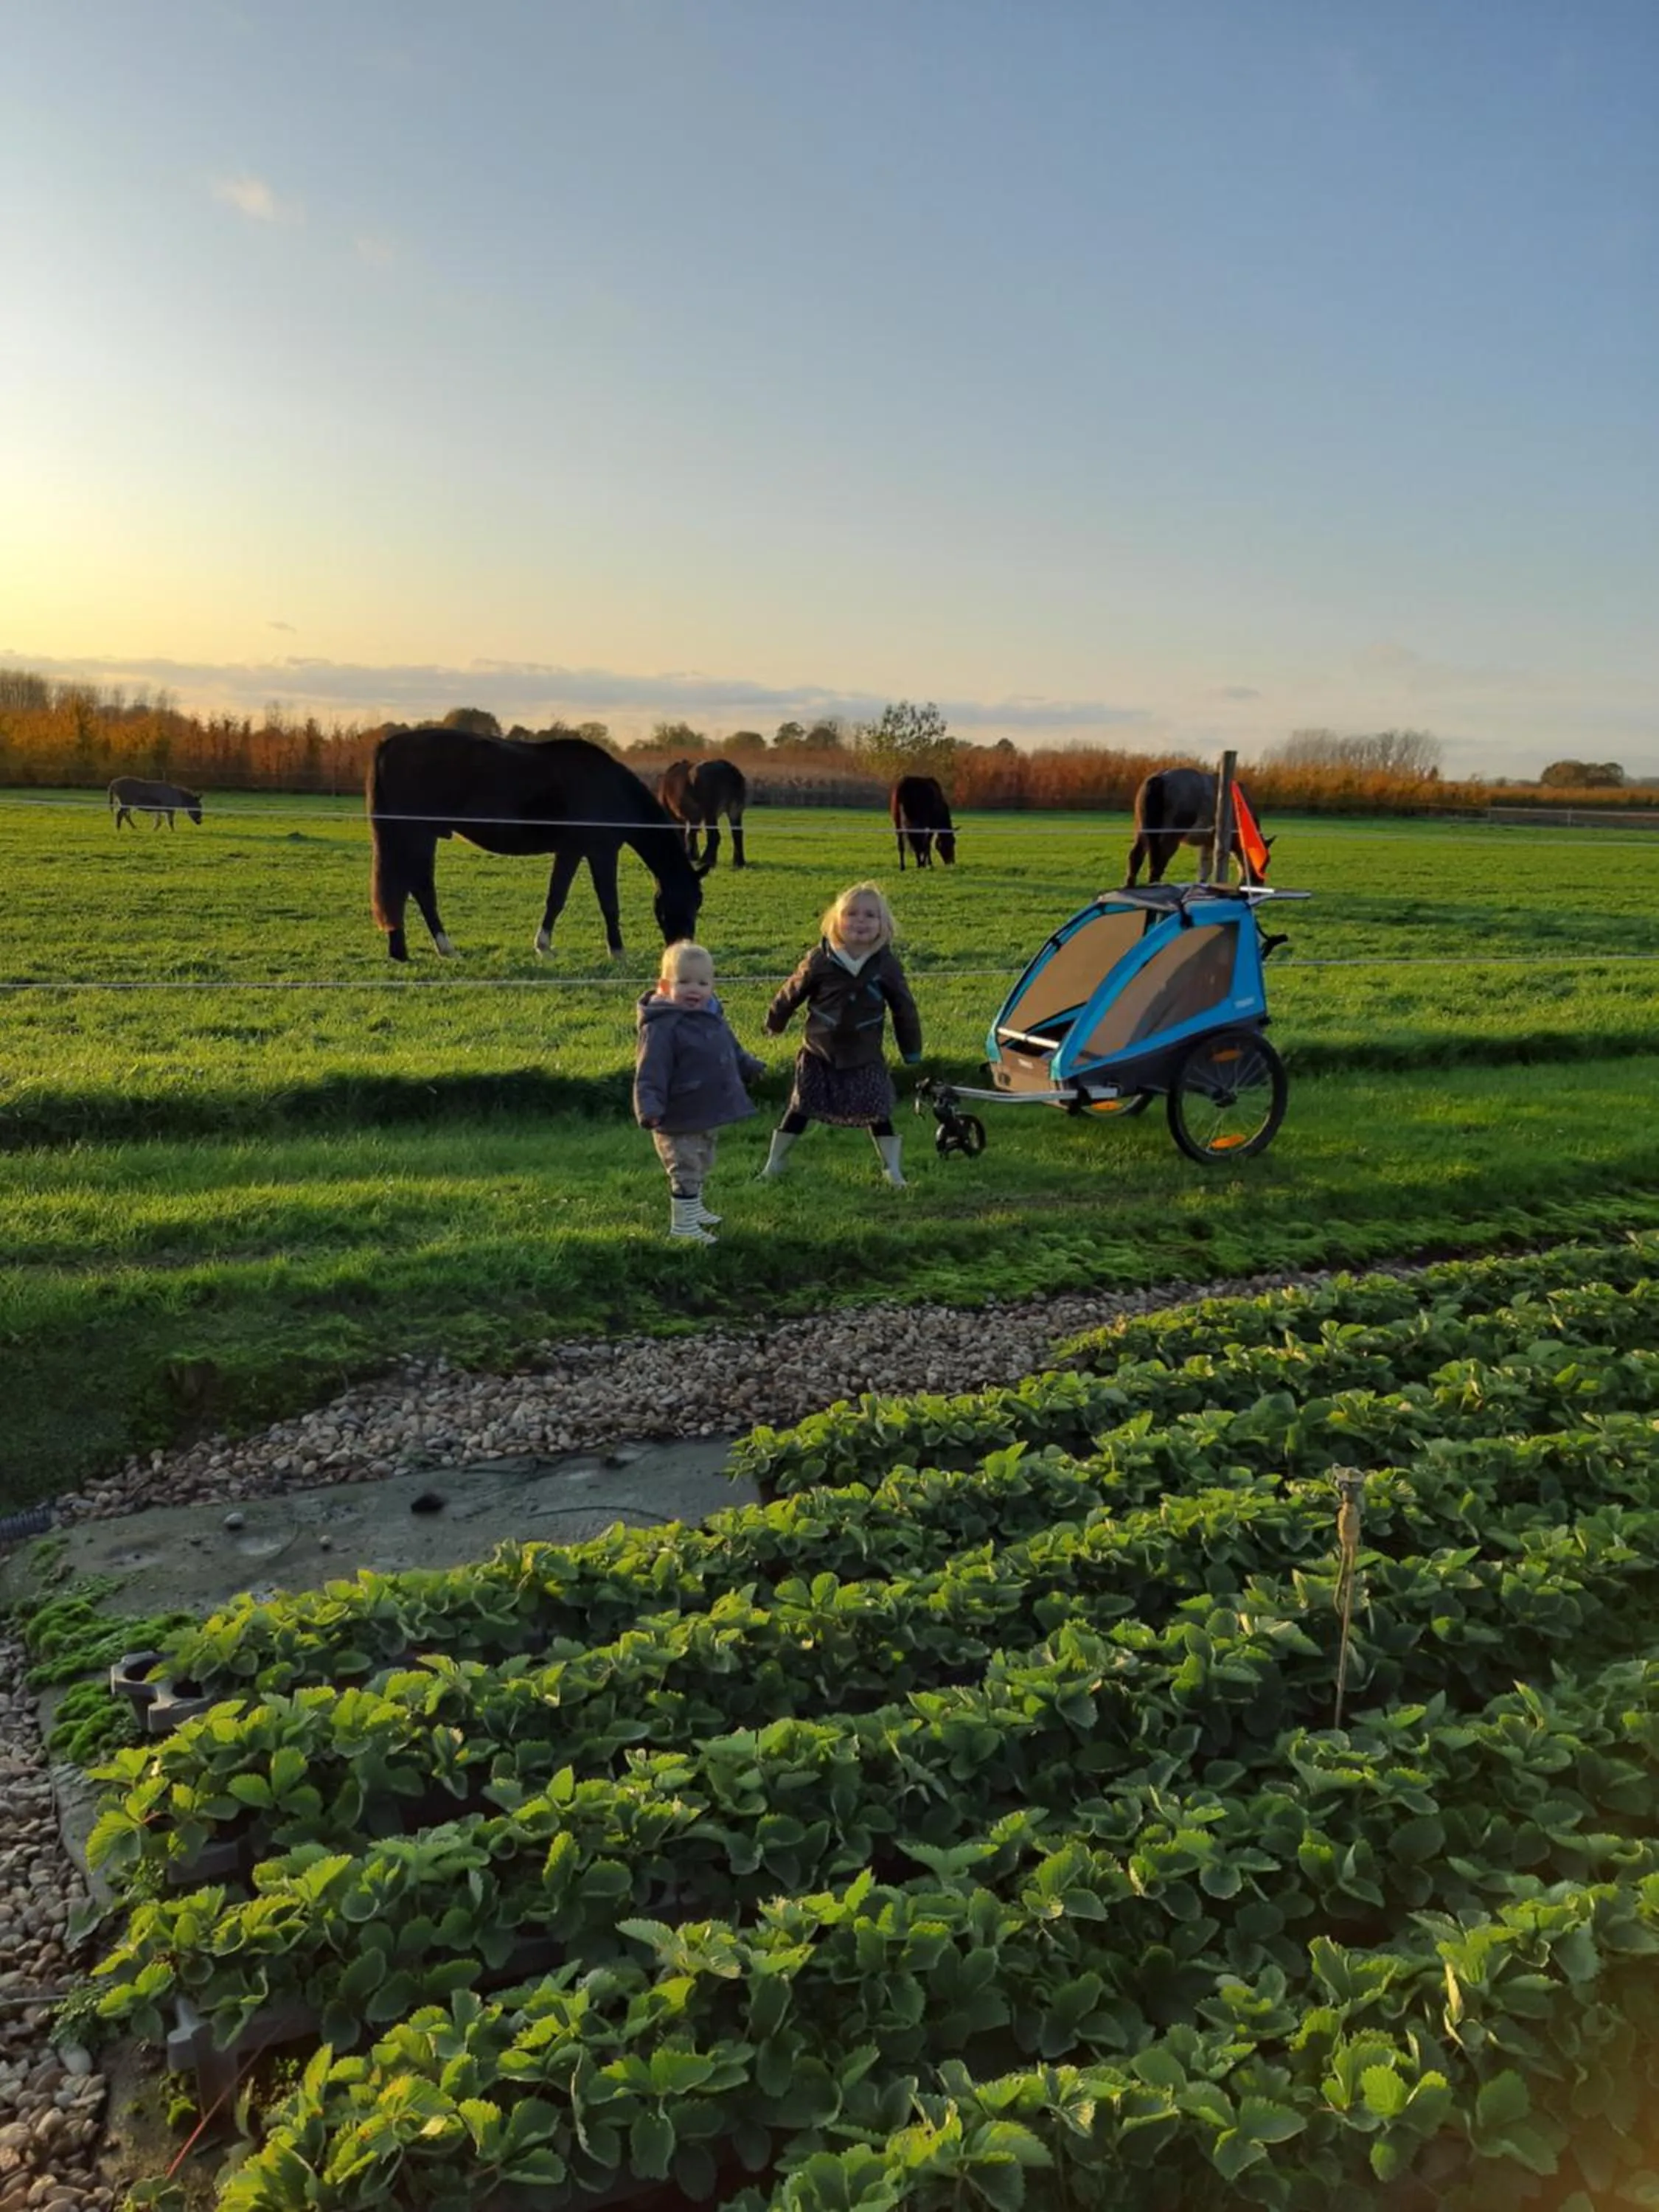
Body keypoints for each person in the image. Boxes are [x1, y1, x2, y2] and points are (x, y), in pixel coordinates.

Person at [760, 880, 922, 1187]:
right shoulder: (819, 959)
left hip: (864, 1053)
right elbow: (790, 992)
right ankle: (775, 1163)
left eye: (870, 916)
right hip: (819, 1050)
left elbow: (905, 1009)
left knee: (877, 1110)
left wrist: (911, 1050)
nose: (860, 921)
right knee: (801, 1106)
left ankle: (892, 1170)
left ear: (883, 925)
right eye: (851, 914)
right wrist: (775, 1021)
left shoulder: (885, 964)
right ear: (835, 921)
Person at [635, 940, 765, 1245]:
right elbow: (650, 1071)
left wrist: (748, 1065)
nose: (694, 989)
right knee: (684, 1166)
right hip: (678, 1111)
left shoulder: (711, 1014)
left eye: (703, 982)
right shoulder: (662, 1026)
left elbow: (730, 1048)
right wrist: (649, 1107)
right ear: (665, 986)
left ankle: (695, 1210)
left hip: (706, 1107)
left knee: (703, 1158)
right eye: (684, 982)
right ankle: (683, 1227)